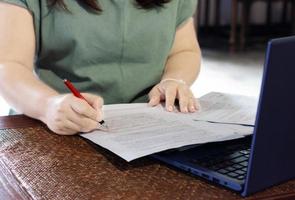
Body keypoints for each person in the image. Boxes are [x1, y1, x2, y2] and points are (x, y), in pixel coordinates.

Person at [0, 0, 201, 135]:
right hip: (58, 124)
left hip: (150, 124)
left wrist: (174, 80)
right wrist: (48, 105)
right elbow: (9, 65)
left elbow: (184, 51)